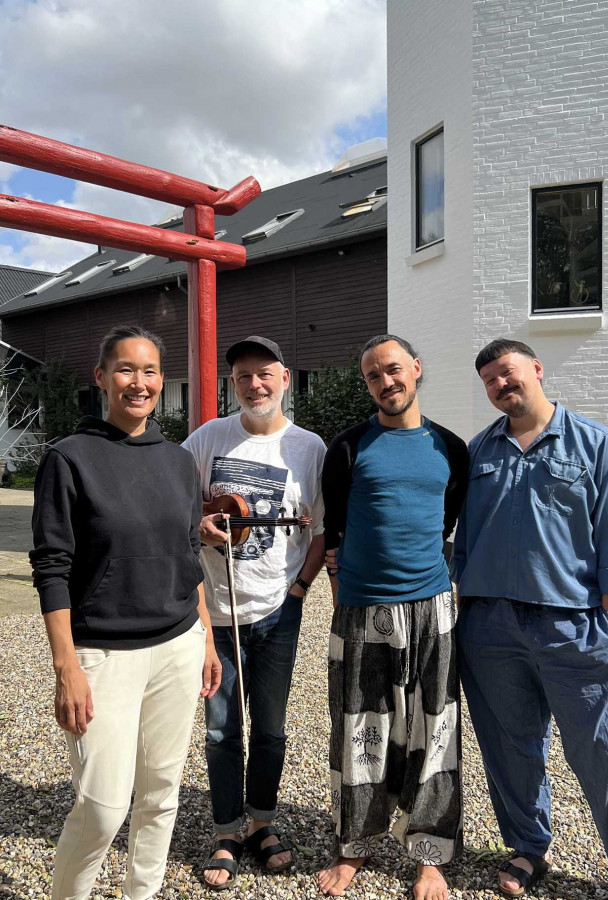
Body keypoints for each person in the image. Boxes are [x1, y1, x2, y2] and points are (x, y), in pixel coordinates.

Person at [453, 338, 608, 900]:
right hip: (490, 629)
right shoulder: (479, 452)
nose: (501, 384)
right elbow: (464, 543)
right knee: (511, 750)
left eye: (508, 372)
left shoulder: (595, 444)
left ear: (537, 369)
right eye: (490, 380)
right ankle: (528, 847)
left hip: (574, 626)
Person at [30, 324, 221, 900]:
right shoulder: (69, 458)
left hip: (178, 646)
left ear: (162, 380)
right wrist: (66, 666)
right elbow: (52, 567)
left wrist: (206, 639)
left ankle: (144, 890)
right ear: (102, 377)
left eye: (150, 371)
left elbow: (189, 555)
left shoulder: (177, 461)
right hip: (103, 655)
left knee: (162, 793)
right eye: (126, 369)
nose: (139, 383)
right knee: (103, 807)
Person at [318, 334, 469, 900]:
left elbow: (447, 520)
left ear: (416, 369)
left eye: (394, 369)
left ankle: (429, 852)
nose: (387, 382)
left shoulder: (450, 448)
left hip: (432, 606)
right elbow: (334, 528)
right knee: (359, 727)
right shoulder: (349, 447)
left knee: (436, 726)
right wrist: (340, 587)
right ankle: (354, 844)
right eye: (374, 376)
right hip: (363, 609)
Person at [182, 335, 326, 889]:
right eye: (243, 376)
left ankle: (262, 822)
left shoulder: (309, 448)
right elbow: (175, 506)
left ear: (285, 378)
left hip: (277, 611)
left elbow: (319, 527)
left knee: (271, 728)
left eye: (264, 374)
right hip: (215, 615)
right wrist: (198, 524)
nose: (254, 385)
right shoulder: (207, 438)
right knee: (221, 731)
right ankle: (226, 832)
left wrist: (300, 590)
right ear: (232, 384)